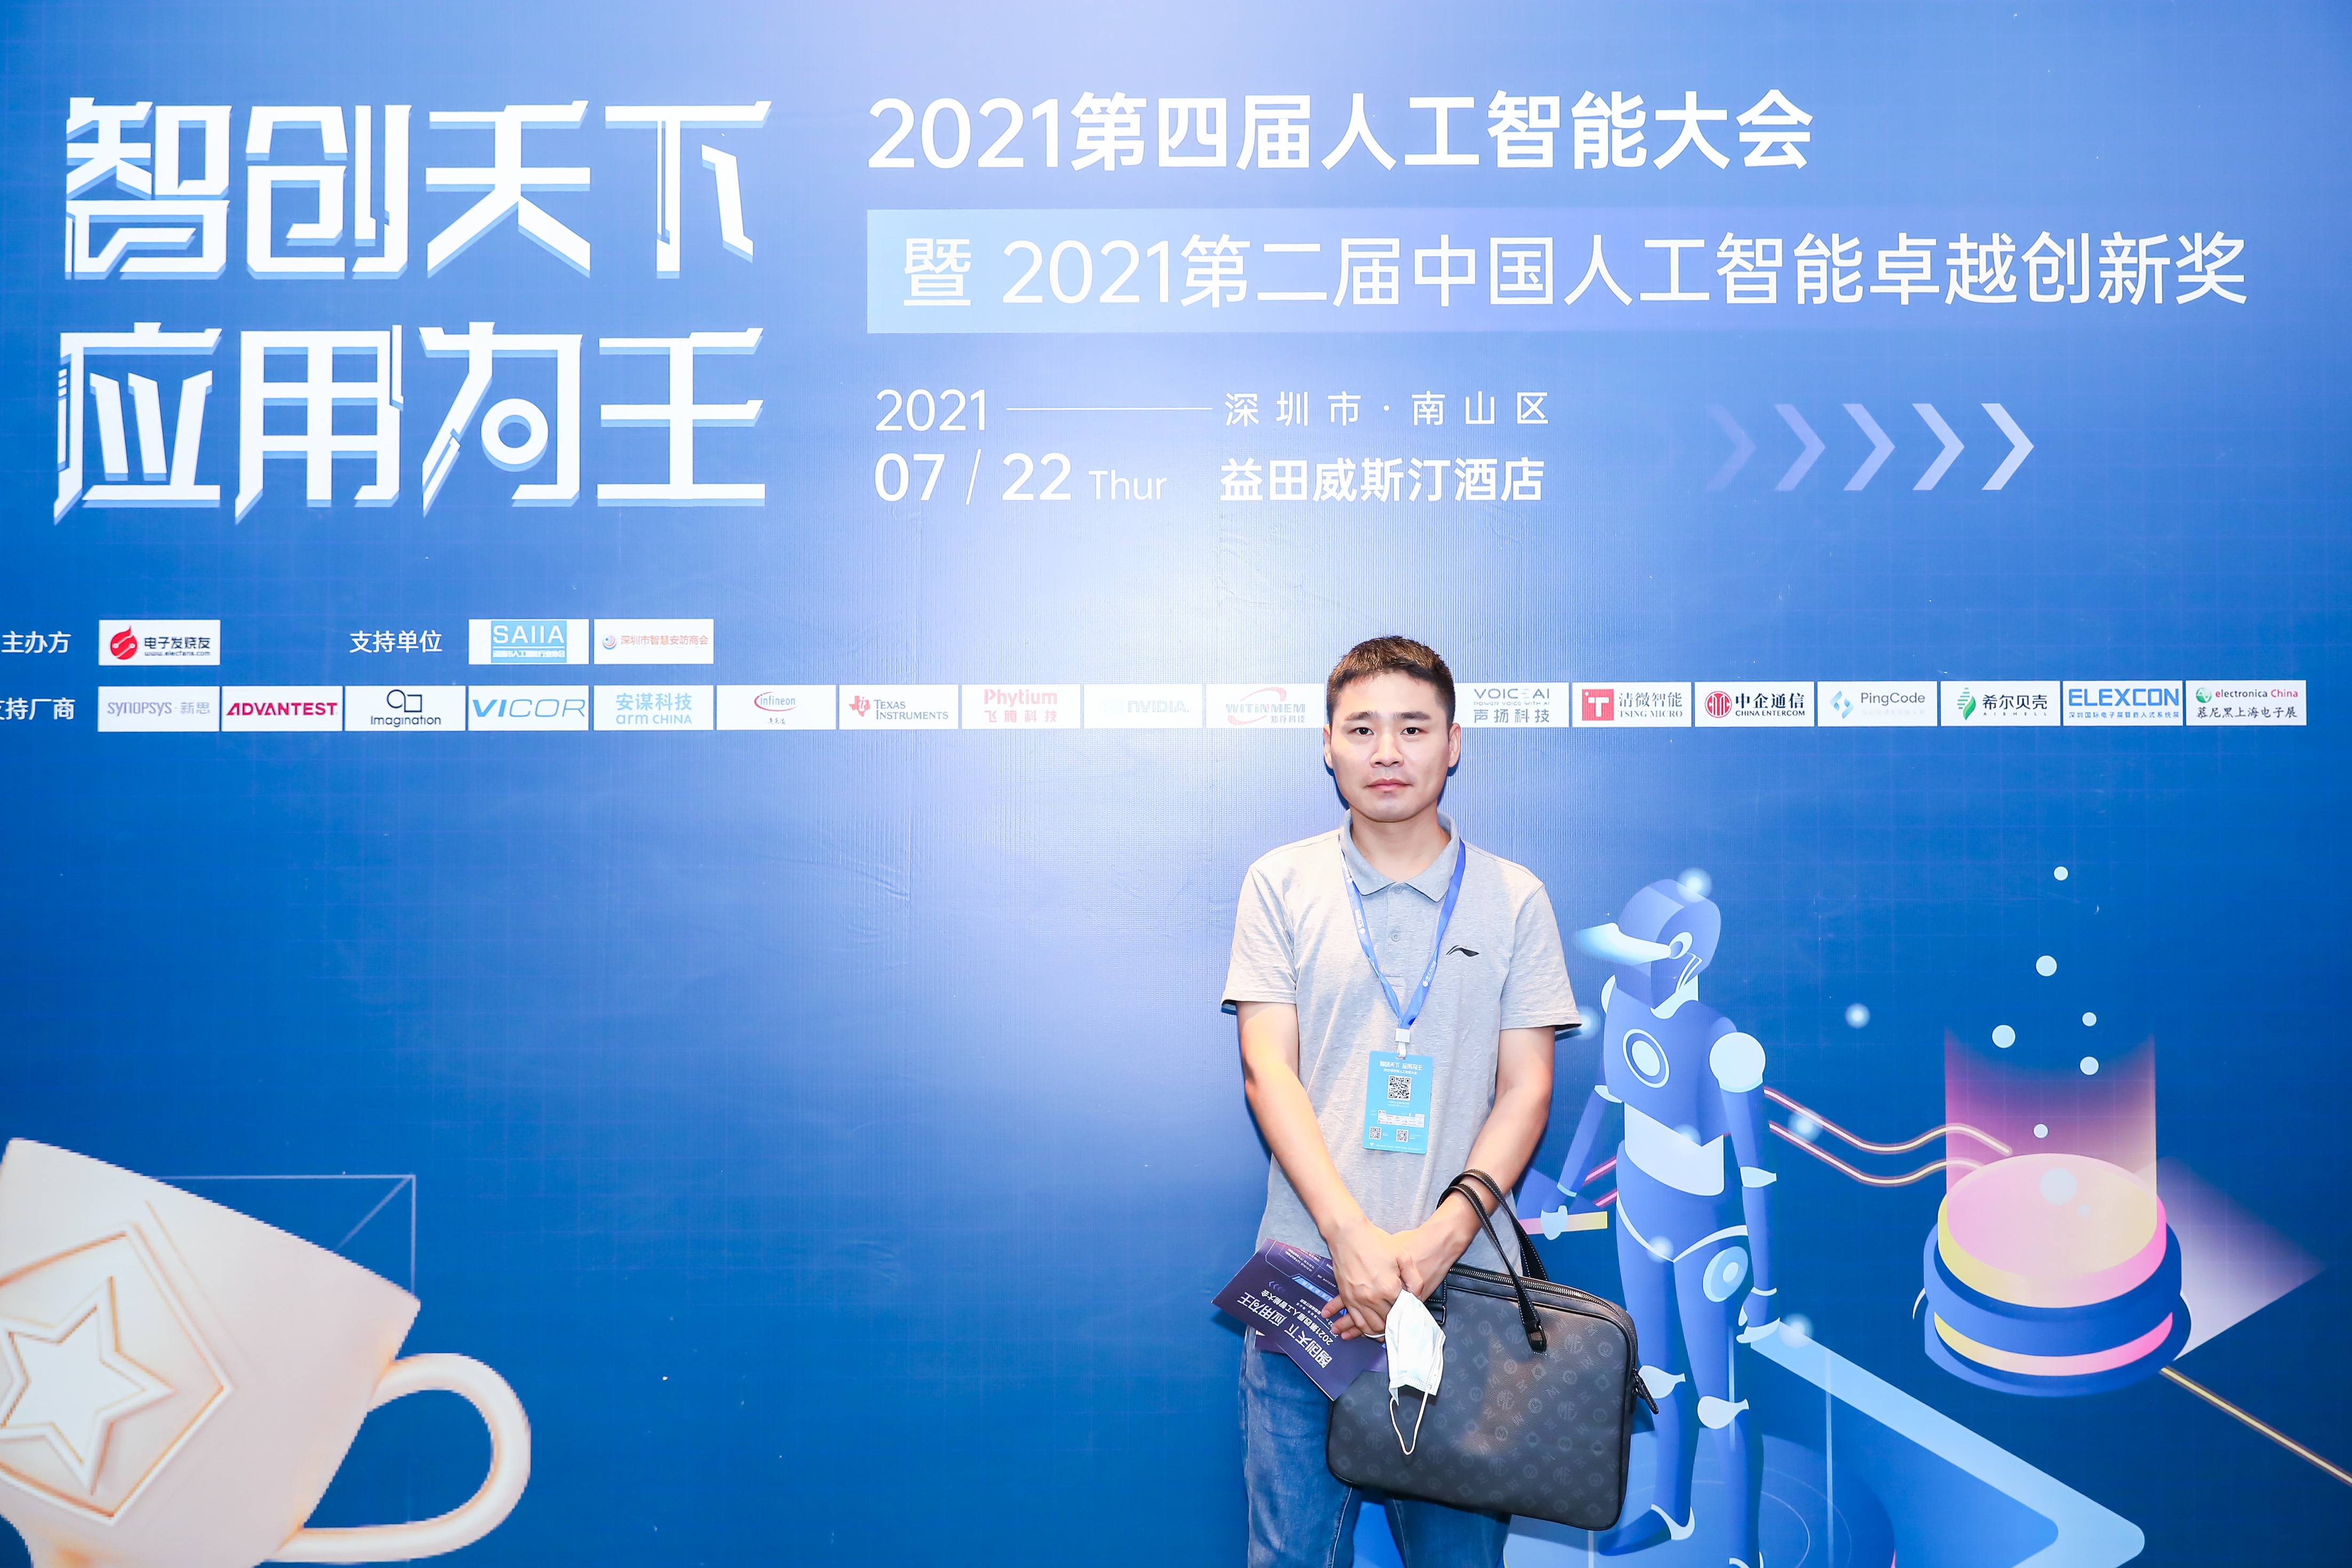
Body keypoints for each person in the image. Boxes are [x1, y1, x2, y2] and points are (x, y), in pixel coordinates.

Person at [1223, 635, 1583, 1568]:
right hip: (1311, 1291)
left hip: (1465, 1297)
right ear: (1328, 746)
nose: (1388, 751)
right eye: (1362, 729)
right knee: (1290, 1557)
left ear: (1453, 745)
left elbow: (1527, 1088)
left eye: (1414, 729)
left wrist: (1437, 1243)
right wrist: (1349, 1240)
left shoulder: (1514, 897)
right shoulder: (1280, 883)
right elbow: (1269, 1072)